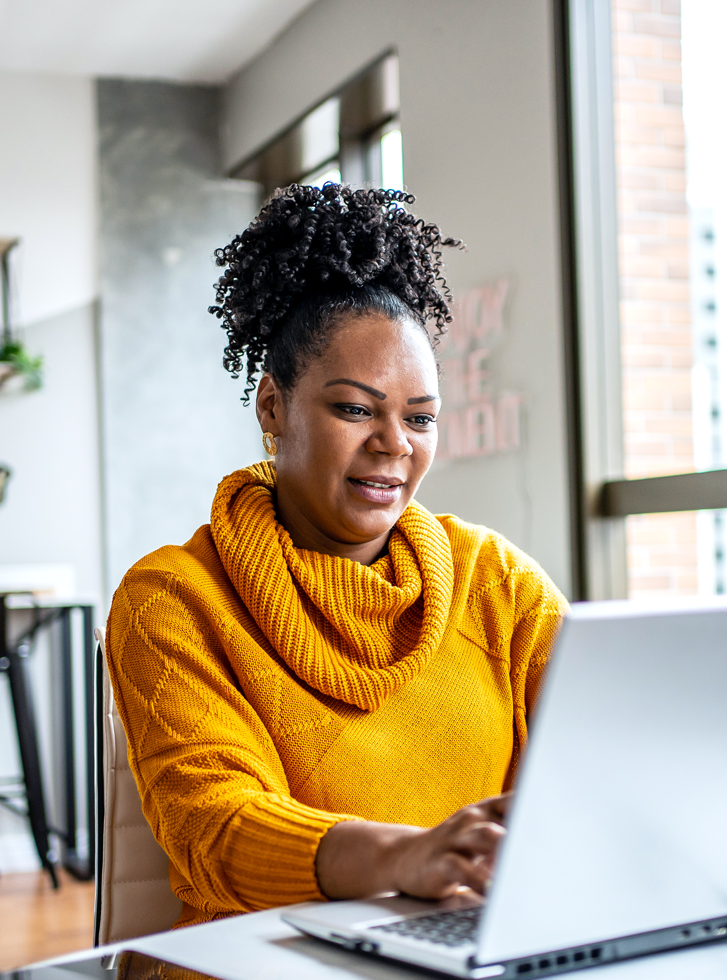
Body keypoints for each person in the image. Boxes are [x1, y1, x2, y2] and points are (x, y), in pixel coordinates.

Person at [106, 184, 565, 928]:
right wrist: (402, 859)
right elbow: (215, 829)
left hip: (479, 966)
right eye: (356, 408)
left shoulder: (499, 582)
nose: (394, 444)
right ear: (272, 407)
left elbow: (601, 769)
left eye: (420, 418)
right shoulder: (173, 599)